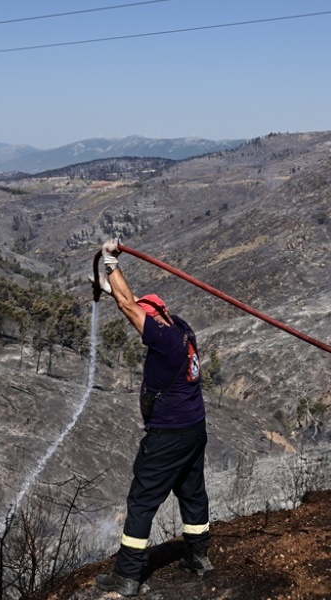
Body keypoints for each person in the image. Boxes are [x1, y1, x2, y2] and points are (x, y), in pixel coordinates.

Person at [94, 240, 212, 597]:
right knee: (192, 492)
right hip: (195, 429)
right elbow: (130, 304)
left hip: (168, 435)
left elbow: (130, 307)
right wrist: (112, 286)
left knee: (142, 501)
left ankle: (128, 576)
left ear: (152, 318)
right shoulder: (180, 328)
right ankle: (198, 558)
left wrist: (111, 262)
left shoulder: (163, 342)